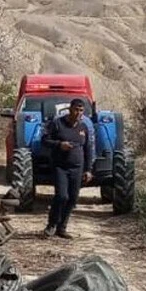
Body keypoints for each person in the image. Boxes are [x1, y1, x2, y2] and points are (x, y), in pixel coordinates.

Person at [41, 98, 93, 239]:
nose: (78, 113)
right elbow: (45, 140)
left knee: (73, 198)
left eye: (81, 110)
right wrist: (59, 144)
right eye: (76, 109)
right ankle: (51, 225)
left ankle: (62, 228)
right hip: (60, 167)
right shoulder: (57, 124)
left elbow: (88, 149)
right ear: (70, 109)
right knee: (62, 196)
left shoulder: (83, 127)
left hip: (77, 168)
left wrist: (88, 170)